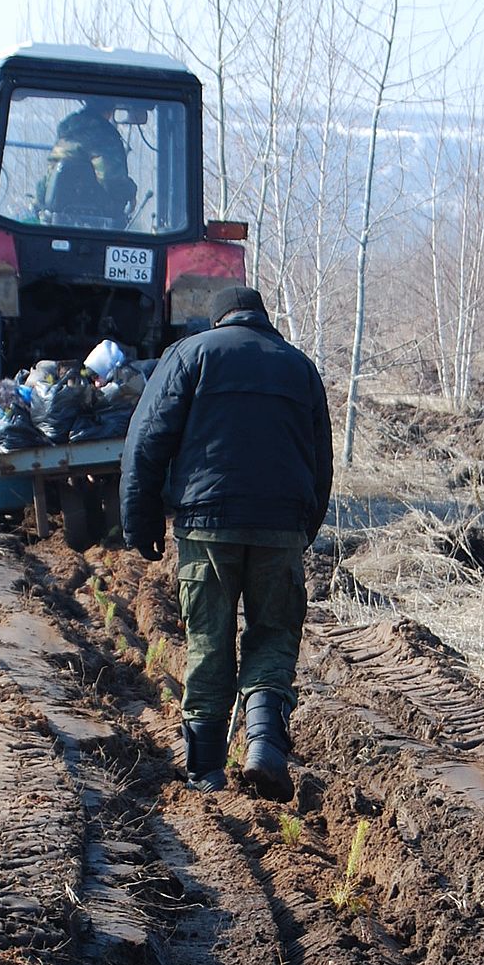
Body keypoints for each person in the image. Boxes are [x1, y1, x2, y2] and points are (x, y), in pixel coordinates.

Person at [120, 284, 333, 800]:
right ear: (261, 319)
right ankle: (263, 745)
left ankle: (207, 771)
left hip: (205, 524)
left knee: (209, 641)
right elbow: (321, 461)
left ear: (218, 321)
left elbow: (145, 443)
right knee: (273, 637)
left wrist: (140, 522)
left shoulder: (189, 356)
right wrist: (305, 528)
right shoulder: (299, 367)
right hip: (280, 525)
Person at [37, 99, 136, 227]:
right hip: (98, 219)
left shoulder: (66, 134)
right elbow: (111, 180)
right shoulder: (105, 137)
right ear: (110, 112)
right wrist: (130, 192)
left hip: (55, 219)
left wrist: (40, 206)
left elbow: (46, 183)